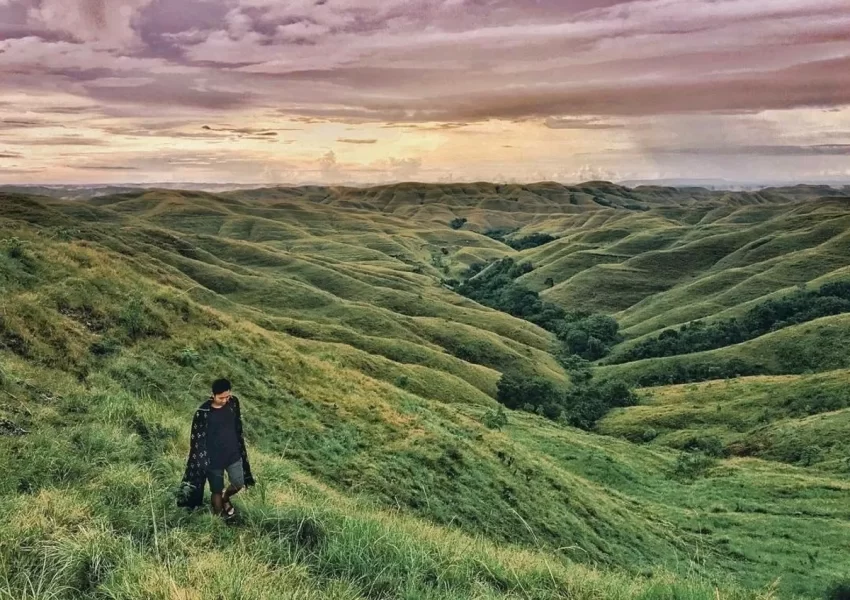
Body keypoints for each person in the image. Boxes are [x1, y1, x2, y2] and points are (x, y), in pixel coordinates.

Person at [177, 378, 255, 517]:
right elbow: (196, 439)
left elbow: (237, 425)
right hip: (213, 459)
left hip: (233, 454)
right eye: (221, 398)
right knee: (216, 490)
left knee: (238, 482)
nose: (225, 400)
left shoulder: (233, 403)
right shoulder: (203, 412)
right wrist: (202, 460)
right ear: (213, 395)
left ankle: (226, 497)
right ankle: (219, 519)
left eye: (227, 396)